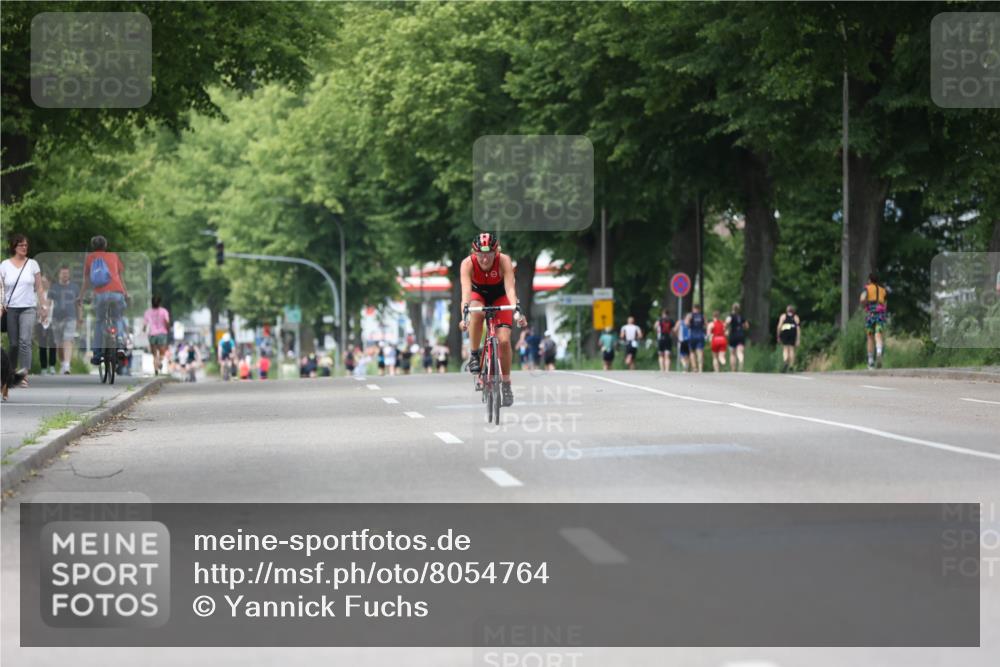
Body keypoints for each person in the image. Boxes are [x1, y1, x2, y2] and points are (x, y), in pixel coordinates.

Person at [458, 232, 527, 407]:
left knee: (503, 341)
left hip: (500, 296)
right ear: (474, 253)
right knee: (477, 312)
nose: (485, 258)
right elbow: (466, 294)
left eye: (489, 254)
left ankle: (506, 384)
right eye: (480, 254)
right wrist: (464, 317)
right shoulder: (467, 264)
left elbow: (510, 289)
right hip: (477, 295)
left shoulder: (504, 261)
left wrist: (517, 310)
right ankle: (474, 354)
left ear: (496, 252)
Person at [1, 234, 48, 384]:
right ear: (14, 247)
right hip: (11, 309)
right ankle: (11, 372)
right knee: (14, 343)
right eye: (21, 245)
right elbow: (0, 288)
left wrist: (44, 305)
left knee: (25, 341)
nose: (24, 248)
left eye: (26, 245)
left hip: (28, 307)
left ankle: (24, 374)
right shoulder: (4, 265)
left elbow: (39, 287)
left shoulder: (33, 264)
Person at [81, 235, 129, 366]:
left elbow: (86, 281)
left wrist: (81, 296)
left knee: (99, 321)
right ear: (105, 246)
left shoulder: (90, 258)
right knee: (118, 318)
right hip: (117, 293)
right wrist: (126, 293)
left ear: (93, 246)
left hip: (100, 294)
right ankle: (119, 344)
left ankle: (96, 354)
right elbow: (120, 277)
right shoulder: (113, 256)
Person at [48, 265, 82, 375]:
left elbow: (79, 304)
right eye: (63, 273)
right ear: (59, 274)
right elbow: (48, 303)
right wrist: (45, 315)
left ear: (69, 275)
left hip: (70, 317)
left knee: (68, 339)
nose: (65, 275)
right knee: (59, 344)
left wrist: (80, 318)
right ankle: (63, 363)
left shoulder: (75, 288)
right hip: (56, 318)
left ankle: (67, 365)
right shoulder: (53, 287)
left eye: (67, 273)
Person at [860, 272, 888, 370]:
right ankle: (879, 353)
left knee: (870, 337)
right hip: (880, 314)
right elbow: (885, 303)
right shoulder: (883, 290)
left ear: (870, 280)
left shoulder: (867, 288)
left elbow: (862, 298)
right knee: (878, 334)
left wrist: (864, 304)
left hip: (870, 314)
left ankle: (871, 361)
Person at [35, 274, 58, 375]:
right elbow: (35, 307)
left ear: (49, 283)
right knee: (42, 345)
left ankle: (52, 366)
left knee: (53, 344)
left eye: (45, 281)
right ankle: (43, 367)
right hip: (40, 322)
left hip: (52, 322)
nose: (43, 283)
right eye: (42, 282)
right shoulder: (37, 294)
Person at [143, 295, 171, 376]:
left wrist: (144, 330)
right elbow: (167, 322)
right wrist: (168, 328)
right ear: (159, 303)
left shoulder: (148, 312)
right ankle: (159, 363)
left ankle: (155, 369)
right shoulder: (164, 311)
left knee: (154, 354)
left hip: (152, 334)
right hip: (162, 334)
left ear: (152, 303)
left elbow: (145, 325)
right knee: (162, 353)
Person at [777, 304, 801, 372]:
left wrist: (778, 335)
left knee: (785, 348)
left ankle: (785, 360)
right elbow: (798, 328)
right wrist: (798, 339)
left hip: (785, 332)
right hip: (793, 332)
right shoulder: (796, 317)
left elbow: (779, 326)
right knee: (791, 349)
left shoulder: (783, 316)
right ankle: (791, 365)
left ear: (787, 310)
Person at [725, 303, 749, 372]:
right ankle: (741, 363)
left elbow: (727, 322)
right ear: (739, 309)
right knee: (740, 352)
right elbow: (747, 326)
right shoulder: (741, 317)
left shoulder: (730, 316)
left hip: (733, 335)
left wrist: (726, 329)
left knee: (732, 353)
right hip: (741, 335)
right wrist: (742, 327)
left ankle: (733, 369)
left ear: (732, 308)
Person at [685, 304, 706, 372]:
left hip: (692, 335)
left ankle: (694, 368)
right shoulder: (702, 316)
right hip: (700, 335)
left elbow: (686, 324)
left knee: (692, 352)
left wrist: (689, 323)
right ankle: (700, 368)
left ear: (693, 308)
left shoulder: (690, 315)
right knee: (700, 352)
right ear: (699, 309)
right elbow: (706, 325)